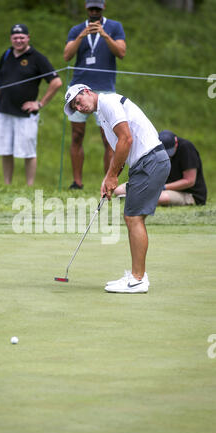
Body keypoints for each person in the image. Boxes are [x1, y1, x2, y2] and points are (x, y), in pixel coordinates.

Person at [64, 84, 171, 293]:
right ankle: (136, 275)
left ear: (86, 91)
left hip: (150, 160)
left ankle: (138, 279)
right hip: (145, 163)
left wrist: (113, 176)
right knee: (133, 216)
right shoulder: (103, 114)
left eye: (78, 101)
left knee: (134, 217)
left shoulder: (108, 102)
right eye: (75, 107)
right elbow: (120, 149)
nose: (79, 107)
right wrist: (108, 178)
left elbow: (126, 138)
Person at [0, 24, 62, 186]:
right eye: (15, 37)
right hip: (3, 111)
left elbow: (56, 82)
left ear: (28, 38)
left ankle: (29, 186)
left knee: (28, 152)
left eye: (22, 37)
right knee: (5, 150)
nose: (18, 40)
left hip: (25, 114)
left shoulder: (37, 57)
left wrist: (39, 103)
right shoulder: (6, 54)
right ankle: (7, 184)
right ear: (11, 39)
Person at [63, 0, 126, 189]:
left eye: (97, 9)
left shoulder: (114, 27)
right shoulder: (76, 30)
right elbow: (67, 55)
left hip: (104, 88)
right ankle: (77, 182)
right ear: (86, 8)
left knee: (108, 138)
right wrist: (82, 36)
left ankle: (108, 180)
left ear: (103, 8)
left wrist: (105, 35)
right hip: (78, 89)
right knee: (76, 135)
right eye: (91, 8)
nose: (94, 12)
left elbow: (121, 52)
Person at [114, 130, 207, 206]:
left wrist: (163, 187)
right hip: (161, 186)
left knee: (159, 197)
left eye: (169, 153)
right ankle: (136, 198)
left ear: (176, 143)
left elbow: (189, 181)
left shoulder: (187, 149)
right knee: (119, 190)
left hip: (188, 194)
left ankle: (136, 199)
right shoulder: (154, 148)